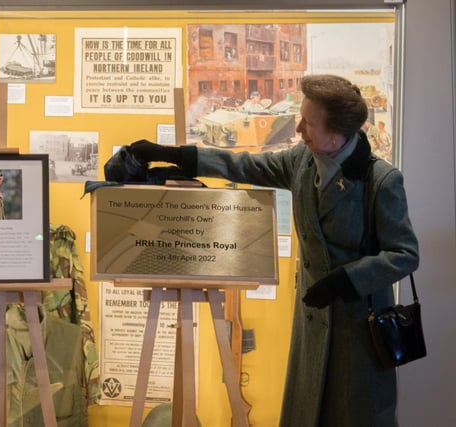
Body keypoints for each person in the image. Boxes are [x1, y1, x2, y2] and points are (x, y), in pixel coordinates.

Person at [130, 74, 419, 427]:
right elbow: (245, 165)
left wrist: (345, 280)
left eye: (307, 122)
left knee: (355, 415)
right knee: (309, 411)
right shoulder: (303, 161)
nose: (298, 128)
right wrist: (177, 156)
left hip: (359, 330)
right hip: (312, 326)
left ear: (336, 134)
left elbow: (404, 254)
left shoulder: (381, 180)